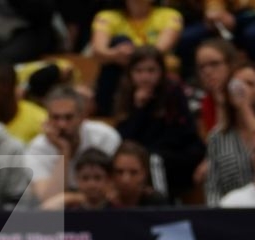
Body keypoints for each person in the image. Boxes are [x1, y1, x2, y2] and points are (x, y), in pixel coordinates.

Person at [113, 46, 205, 199]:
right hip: (144, 156)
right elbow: (125, 139)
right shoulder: (125, 95)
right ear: (130, 73)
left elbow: (185, 133)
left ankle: (160, 203)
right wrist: (139, 109)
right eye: (139, 71)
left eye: (151, 71)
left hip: (177, 155)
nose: (145, 77)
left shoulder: (173, 92)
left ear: (161, 72)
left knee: (154, 160)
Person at [27, 85, 125, 202]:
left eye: (68, 117)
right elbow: (49, 200)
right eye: (55, 118)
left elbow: (117, 191)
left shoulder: (105, 137)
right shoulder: (37, 149)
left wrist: (70, 198)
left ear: (82, 117)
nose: (62, 125)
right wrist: (64, 151)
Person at [86, 0, 184, 114]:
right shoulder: (106, 16)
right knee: (120, 41)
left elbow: (159, 50)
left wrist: (132, 56)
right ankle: (111, 108)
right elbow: (98, 51)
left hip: (156, 77)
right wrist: (116, 54)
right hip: (119, 75)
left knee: (148, 65)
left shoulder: (169, 15)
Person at [204, 62, 255, 204]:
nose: (242, 89)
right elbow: (213, 187)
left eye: (250, 84)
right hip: (231, 209)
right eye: (237, 83)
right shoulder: (217, 136)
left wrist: (244, 107)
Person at [42, 148, 117, 209]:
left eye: (97, 178)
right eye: (85, 178)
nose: (91, 184)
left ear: (109, 179)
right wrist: (70, 198)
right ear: (77, 179)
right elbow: (45, 209)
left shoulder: (118, 209)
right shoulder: (70, 210)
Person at [110, 139, 171, 205]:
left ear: (144, 173)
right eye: (119, 172)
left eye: (133, 172)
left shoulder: (157, 204)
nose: (125, 180)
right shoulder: (105, 204)